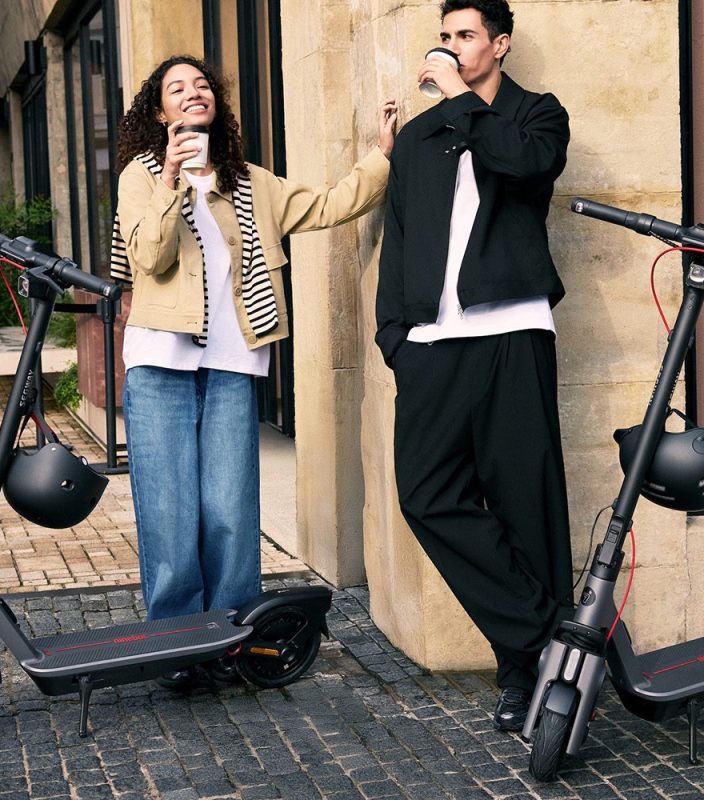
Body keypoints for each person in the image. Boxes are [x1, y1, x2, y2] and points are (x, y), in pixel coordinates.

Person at [112, 55, 396, 690]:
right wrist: (173, 180)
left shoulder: (252, 184)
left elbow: (329, 205)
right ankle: (178, 649)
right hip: (161, 365)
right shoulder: (142, 175)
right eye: (176, 89)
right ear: (159, 113)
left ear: (217, 103)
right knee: (170, 514)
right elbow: (149, 258)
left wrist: (382, 155)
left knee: (231, 513)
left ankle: (233, 638)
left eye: (202, 85)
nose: (192, 94)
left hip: (233, 365)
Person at [374, 0, 572, 730]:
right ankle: (546, 634)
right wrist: (394, 335)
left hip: (512, 331)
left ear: (500, 44)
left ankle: (523, 677)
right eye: (445, 38)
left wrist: (464, 103)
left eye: (465, 37)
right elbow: (399, 238)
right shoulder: (420, 135)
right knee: (427, 495)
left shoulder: (535, 116)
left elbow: (526, 167)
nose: (452, 48)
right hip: (430, 346)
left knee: (526, 503)